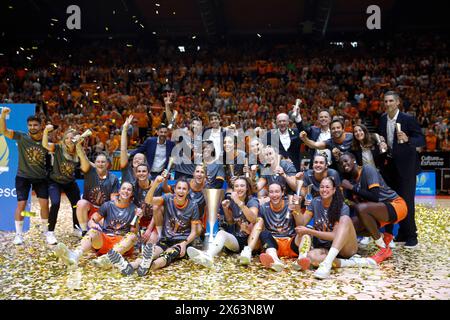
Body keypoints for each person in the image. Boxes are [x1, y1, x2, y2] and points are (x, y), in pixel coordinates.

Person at [294, 177, 377, 279]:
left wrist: (310, 231)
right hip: (325, 248)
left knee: (346, 219)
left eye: (327, 187)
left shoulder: (342, 206)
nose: (324, 189)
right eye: (322, 187)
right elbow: (301, 223)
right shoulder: (315, 202)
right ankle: (353, 263)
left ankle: (327, 264)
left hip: (344, 249)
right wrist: (296, 207)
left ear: (333, 190)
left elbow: (334, 236)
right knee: (311, 258)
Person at [54, 181, 142, 275]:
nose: (126, 191)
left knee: (132, 236)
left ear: (132, 194)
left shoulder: (134, 209)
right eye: (123, 188)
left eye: (129, 190)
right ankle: (75, 255)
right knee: (92, 232)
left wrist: (137, 218)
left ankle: (109, 258)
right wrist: (92, 223)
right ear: (119, 191)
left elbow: (134, 232)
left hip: (122, 243)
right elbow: (93, 219)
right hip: (106, 239)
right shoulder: (108, 205)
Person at [121, 177, 201, 276]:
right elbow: (148, 200)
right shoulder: (168, 198)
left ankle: (148, 268)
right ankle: (133, 265)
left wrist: (184, 243)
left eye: (184, 189)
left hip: (181, 241)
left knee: (166, 256)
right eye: (179, 188)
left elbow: (194, 232)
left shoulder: (193, 206)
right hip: (166, 239)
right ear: (174, 190)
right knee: (152, 253)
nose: (181, 191)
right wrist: (155, 183)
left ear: (188, 191)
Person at [339, 153, 408, 264]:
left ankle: (383, 249)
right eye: (341, 163)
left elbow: (374, 197)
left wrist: (352, 188)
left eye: (346, 161)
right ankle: (384, 237)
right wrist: (344, 197)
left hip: (396, 205)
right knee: (350, 226)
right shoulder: (350, 181)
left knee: (361, 208)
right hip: (377, 212)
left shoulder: (367, 170)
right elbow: (357, 205)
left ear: (354, 160)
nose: (344, 164)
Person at [378, 91, 425, 248]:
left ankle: (412, 236)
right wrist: (381, 143)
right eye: (386, 101)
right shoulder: (382, 119)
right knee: (394, 202)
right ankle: (402, 233)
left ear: (398, 102)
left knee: (407, 202)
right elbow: (381, 138)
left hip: (406, 168)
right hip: (389, 167)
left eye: (391, 101)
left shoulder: (408, 119)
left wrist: (408, 139)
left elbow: (421, 139)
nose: (388, 104)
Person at [0, 108, 50, 245]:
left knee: (45, 205)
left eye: (35, 125)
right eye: (30, 125)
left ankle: (47, 232)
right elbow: (4, 132)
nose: (32, 127)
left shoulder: (45, 140)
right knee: (21, 205)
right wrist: (3, 116)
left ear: (41, 126)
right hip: (23, 176)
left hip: (40, 177)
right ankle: (18, 235)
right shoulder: (22, 136)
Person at [187, 177, 259, 267]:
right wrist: (225, 209)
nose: (239, 188)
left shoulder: (252, 200)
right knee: (222, 233)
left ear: (247, 188)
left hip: (251, 241)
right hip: (238, 240)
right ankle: (208, 255)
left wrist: (239, 203)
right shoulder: (232, 201)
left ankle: (208, 254)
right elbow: (230, 221)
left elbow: (253, 219)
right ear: (233, 188)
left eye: (242, 186)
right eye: (236, 186)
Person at [245, 181, 304, 272]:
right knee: (263, 233)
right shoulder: (264, 207)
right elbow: (256, 225)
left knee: (306, 233)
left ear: (282, 193)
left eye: (277, 191)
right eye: (271, 192)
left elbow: (301, 224)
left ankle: (301, 260)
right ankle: (275, 261)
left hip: (291, 243)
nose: (274, 195)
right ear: (268, 194)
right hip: (273, 244)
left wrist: (297, 208)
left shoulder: (290, 205)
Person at [42, 125, 81, 244]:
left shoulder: (78, 151)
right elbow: (45, 145)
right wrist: (45, 132)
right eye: (67, 138)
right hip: (55, 181)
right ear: (64, 139)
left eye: (72, 138)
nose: (69, 140)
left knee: (76, 205)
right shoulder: (58, 148)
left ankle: (76, 227)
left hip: (69, 182)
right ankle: (50, 232)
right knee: (55, 203)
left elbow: (85, 163)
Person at [75, 145, 119, 236]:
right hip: (90, 207)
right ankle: (84, 231)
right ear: (94, 163)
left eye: (103, 162)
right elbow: (82, 156)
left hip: (103, 211)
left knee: (109, 232)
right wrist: (78, 145)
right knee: (81, 203)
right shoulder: (89, 172)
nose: (100, 164)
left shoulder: (113, 178)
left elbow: (113, 200)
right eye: (98, 162)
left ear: (107, 164)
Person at [265, 105, 304, 171]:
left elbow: (304, 133)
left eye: (284, 121)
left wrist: (298, 117)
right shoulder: (270, 135)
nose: (282, 123)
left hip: (295, 170)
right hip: (276, 170)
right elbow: (263, 150)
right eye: (279, 121)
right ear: (276, 123)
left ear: (288, 122)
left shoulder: (296, 132)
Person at [120, 115, 147, 184]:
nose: (136, 160)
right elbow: (123, 149)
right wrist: (125, 130)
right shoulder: (126, 169)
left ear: (144, 162)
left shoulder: (147, 176)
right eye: (135, 158)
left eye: (139, 159)